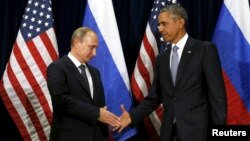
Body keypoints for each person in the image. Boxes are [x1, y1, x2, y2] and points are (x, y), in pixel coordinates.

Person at [115, 4, 227, 141]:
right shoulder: (162, 59)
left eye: (164, 24)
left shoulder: (204, 50)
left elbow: (217, 96)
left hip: (198, 131)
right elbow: (154, 97)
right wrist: (132, 116)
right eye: (159, 25)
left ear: (180, 22)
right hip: (169, 132)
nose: (160, 29)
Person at [47, 27, 120, 141]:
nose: (95, 53)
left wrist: (107, 118)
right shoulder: (57, 68)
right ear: (76, 43)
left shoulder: (95, 72)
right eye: (91, 47)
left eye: (96, 48)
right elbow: (61, 101)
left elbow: (99, 106)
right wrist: (96, 113)